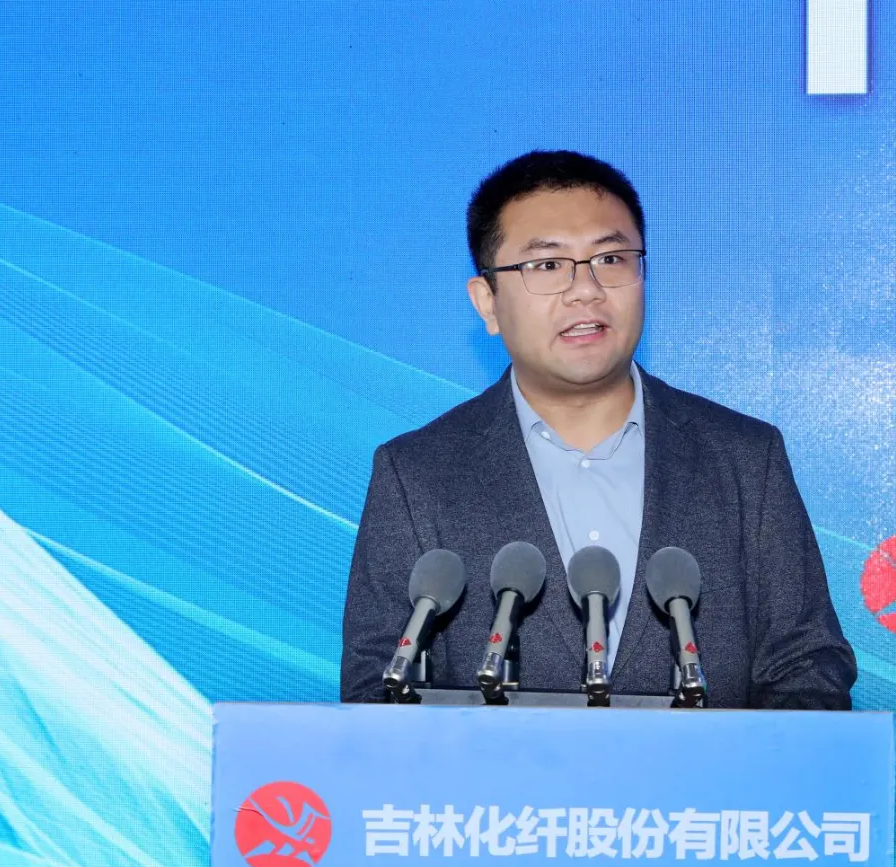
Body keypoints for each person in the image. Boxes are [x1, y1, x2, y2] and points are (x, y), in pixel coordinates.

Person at [341, 150, 856, 708]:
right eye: (547, 265)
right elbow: (376, 692)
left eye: (611, 259)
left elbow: (807, 670)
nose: (585, 289)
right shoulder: (417, 474)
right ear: (487, 302)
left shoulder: (746, 459)